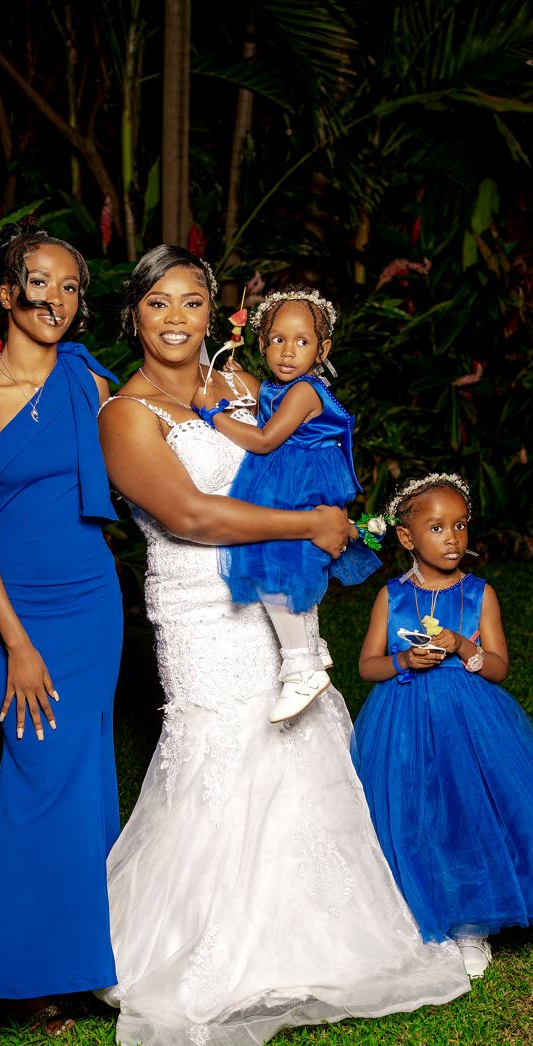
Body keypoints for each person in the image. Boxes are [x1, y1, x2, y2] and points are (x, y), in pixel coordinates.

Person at [95, 245, 470, 1046]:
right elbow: (191, 515)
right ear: (134, 315)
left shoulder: (238, 385)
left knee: (298, 737)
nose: (175, 319)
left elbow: (295, 456)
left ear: (213, 311)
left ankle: (320, 938)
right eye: (158, 303)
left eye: (192, 301)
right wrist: (307, 527)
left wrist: (324, 518)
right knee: (220, 748)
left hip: (270, 591)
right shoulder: (124, 415)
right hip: (200, 607)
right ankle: (203, 949)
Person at [0, 219, 123, 1034]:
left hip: (94, 605)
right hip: (23, 618)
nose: (55, 298)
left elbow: (161, 440)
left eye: (71, 285)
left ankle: (83, 963)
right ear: (8, 293)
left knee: (84, 781)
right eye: (39, 282)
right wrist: (14, 641)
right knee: (38, 776)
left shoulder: (89, 385)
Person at [352, 473, 533, 978]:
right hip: (401, 719)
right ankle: (413, 907)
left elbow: (497, 667)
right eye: (437, 527)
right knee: (410, 809)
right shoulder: (390, 597)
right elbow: (367, 665)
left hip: (467, 721)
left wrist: (463, 647)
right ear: (407, 538)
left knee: (464, 809)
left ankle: (473, 922)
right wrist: (404, 660)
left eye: (461, 525)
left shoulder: (478, 594)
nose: (452, 538)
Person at [193, 287, 380, 723]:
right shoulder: (283, 388)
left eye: (302, 341)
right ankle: (309, 645)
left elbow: (263, 440)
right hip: (288, 478)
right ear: (261, 343)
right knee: (284, 560)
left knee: (276, 561)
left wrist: (211, 414)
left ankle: (301, 665)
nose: (287, 351)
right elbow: (264, 402)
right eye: (277, 339)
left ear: (322, 349)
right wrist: (236, 374)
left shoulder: (304, 392)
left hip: (297, 483)